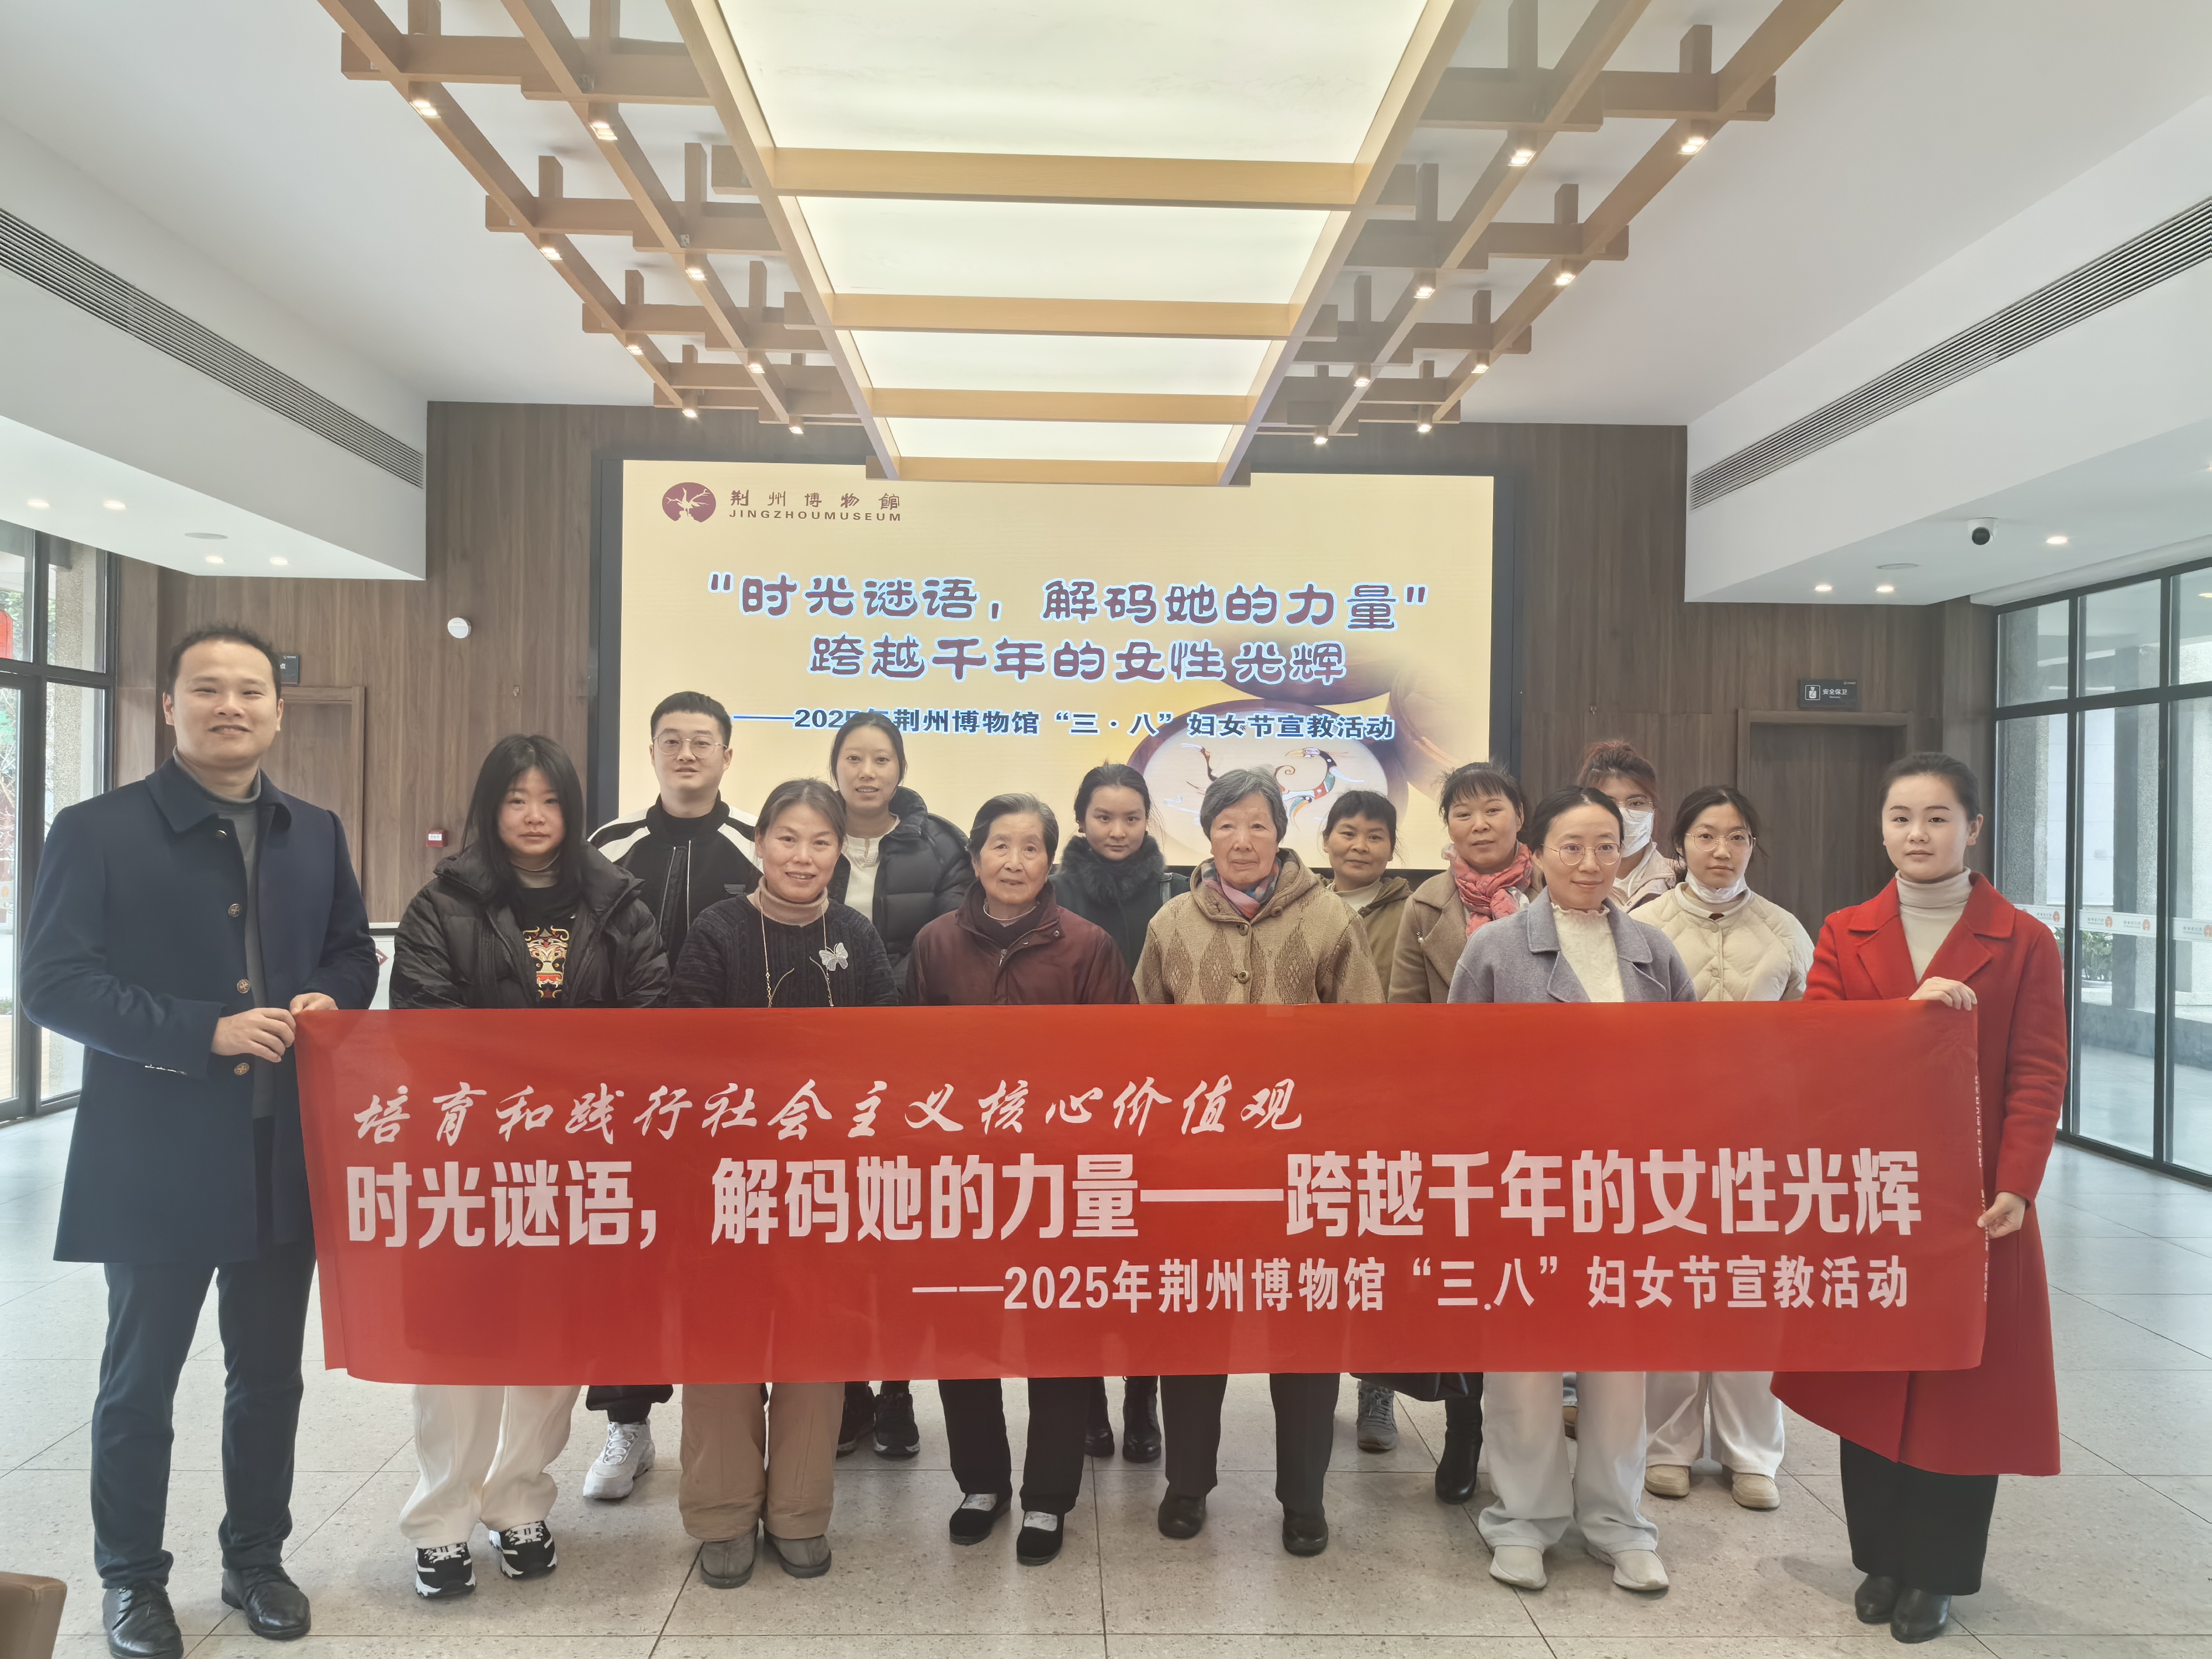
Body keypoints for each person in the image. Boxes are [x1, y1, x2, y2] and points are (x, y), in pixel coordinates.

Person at [22, 625, 377, 1658]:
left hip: (281, 1156)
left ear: (279, 710)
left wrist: (331, 995)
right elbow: (53, 984)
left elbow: (352, 952)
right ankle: (131, 1579)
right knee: (139, 1382)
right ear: (170, 705)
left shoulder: (314, 830)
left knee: (268, 1377)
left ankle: (256, 1558)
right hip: (156, 1156)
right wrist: (200, 1030)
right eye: (209, 688)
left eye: (251, 690)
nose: (232, 706)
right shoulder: (97, 830)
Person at [1774, 754, 2065, 1645]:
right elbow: (1822, 1048)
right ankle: (1882, 1559)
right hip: (1879, 1192)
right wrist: (1910, 1011)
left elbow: (2038, 1071)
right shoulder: (1845, 930)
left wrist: (2017, 1184)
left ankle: (1936, 1573)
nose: (1917, 834)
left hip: (1976, 1203)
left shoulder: (2024, 939)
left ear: (1972, 828)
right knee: (1875, 1383)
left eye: (1938, 817)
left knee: (1959, 1393)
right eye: (1901, 817)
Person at [389, 735, 669, 1601]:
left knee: (552, 1339)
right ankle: (440, 1518)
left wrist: (569, 1093)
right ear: (491, 808)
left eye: (549, 800)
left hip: (582, 1160)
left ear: (572, 810)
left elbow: (653, 1024)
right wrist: (538, 1083)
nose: (535, 816)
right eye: (517, 800)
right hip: (472, 1159)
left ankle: (518, 1501)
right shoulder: (441, 904)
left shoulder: (620, 905)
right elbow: (425, 1030)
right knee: (460, 1344)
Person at [1448, 785, 1696, 1595]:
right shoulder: (1494, 950)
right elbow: (1454, 1076)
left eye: (1606, 846)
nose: (1590, 863)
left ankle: (1619, 1521)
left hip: (1629, 1188)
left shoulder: (1655, 951)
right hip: (1524, 1185)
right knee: (1523, 1363)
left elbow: (1696, 1071)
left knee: (1620, 1363)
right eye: (1572, 847)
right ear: (1540, 853)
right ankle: (1524, 1520)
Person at [1135, 769, 1381, 1557]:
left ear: (1280, 833)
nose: (1242, 841)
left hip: (1302, 1166)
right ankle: (1187, 1483)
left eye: (1258, 826)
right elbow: (1140, 1044)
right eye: (1226, 826)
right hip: (1197, 1168)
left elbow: (1366, 1041)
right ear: (1206, 835)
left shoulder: (1332, 918)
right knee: (1193, 1328)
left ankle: (1303, 1497)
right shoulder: (1170, 923)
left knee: (1303, 1330)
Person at [666, 778, 898, 1587]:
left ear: (840, 853)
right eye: (788, 839)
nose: (803, 857)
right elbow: (684, 1053)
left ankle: (800, 1513)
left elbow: (890, 1058)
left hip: (827, 1183)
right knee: (723, 1351)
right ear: (761, 843)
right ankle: (723, 1516)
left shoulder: (858, 936)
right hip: (727, 1180)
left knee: (815, 1349)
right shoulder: (717, 930)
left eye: (821, 842)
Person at [907, 793, 1137, 1566]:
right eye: (1000, 846)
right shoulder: (935, 943)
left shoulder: (1089, 946)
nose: (1014, 861)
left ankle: (1048, 1495)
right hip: (961, 1174)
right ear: (975, 858)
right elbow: (909, 1066)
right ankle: (981, 1483)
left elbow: (1117, 1067)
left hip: (1060, 1174)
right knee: (963, 1329)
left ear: (1050, 860)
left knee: (1058, 1333)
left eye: (1031, 847)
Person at [579, 690, 760, 1502]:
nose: (687, 754)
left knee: (730, 1251)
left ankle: (735, 1416)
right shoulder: (607, 846)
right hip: (630, 1091)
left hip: (733, 1095)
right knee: (629, 1256)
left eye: (702, 742)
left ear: (727, 755)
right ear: (651, 752)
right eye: (671, 741)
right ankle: (628, 1424)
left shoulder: (756, 843)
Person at [1636, 785, 1812, 1514]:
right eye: (1706, 835)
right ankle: (1667, 1445)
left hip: (1757, 1136)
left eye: (1737, 837)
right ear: (1680, 844)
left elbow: (1814, 1035)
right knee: (1672, 1287)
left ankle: (1751, 1453)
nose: (1721, 851)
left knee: (1750, 1290)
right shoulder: (1643, 925)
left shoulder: (1784, 930)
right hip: (1666, 1133)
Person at [826, 712, 970, 1460]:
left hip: (909, 1062)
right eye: (854, 758)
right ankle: (849, 1391)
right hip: (821, 1068)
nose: (867, 771)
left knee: (899, 1231)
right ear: (835, 766)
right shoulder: (807, 829)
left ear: (901, 768)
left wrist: (876, 999)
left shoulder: (941, 843)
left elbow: (944, 945)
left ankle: (897, 1391)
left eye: (881, 759)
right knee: (837, 1232)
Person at [1047, 761, 1175, 1465]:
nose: (1117, 831)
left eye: (1131, 817)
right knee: (1082, 1260)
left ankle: (1140, 1399)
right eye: (1103, 817)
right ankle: (1090, 1400)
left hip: (1155, 1104)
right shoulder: (1052, 891)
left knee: (1146, 1262)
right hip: (1072, 1104)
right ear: (1080, 820)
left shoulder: (1177, 891)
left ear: (1148, 819)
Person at [1391, 763, 1537, 1004]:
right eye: (1464, 815)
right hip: (1450, 1030)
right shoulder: (1423, 905)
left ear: (1520, 816)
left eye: (1493, 810)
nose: (1480, 825)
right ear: (1449, 827)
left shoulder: (1555, 890)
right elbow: (1406, 1005)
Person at [1319, 788, 1412, 994]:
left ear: (1391, 850)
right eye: (1349, 834)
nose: (1360, 846)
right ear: (1326, 840)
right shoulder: (1299, 907)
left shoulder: (1412, 914)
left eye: (1374, 837)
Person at [1579, 739, 1676, 910]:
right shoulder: (1570, 879)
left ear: (1654, 809)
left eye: (1637, 803)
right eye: (1609, 803)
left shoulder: (1681, 878)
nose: (1622, 816)